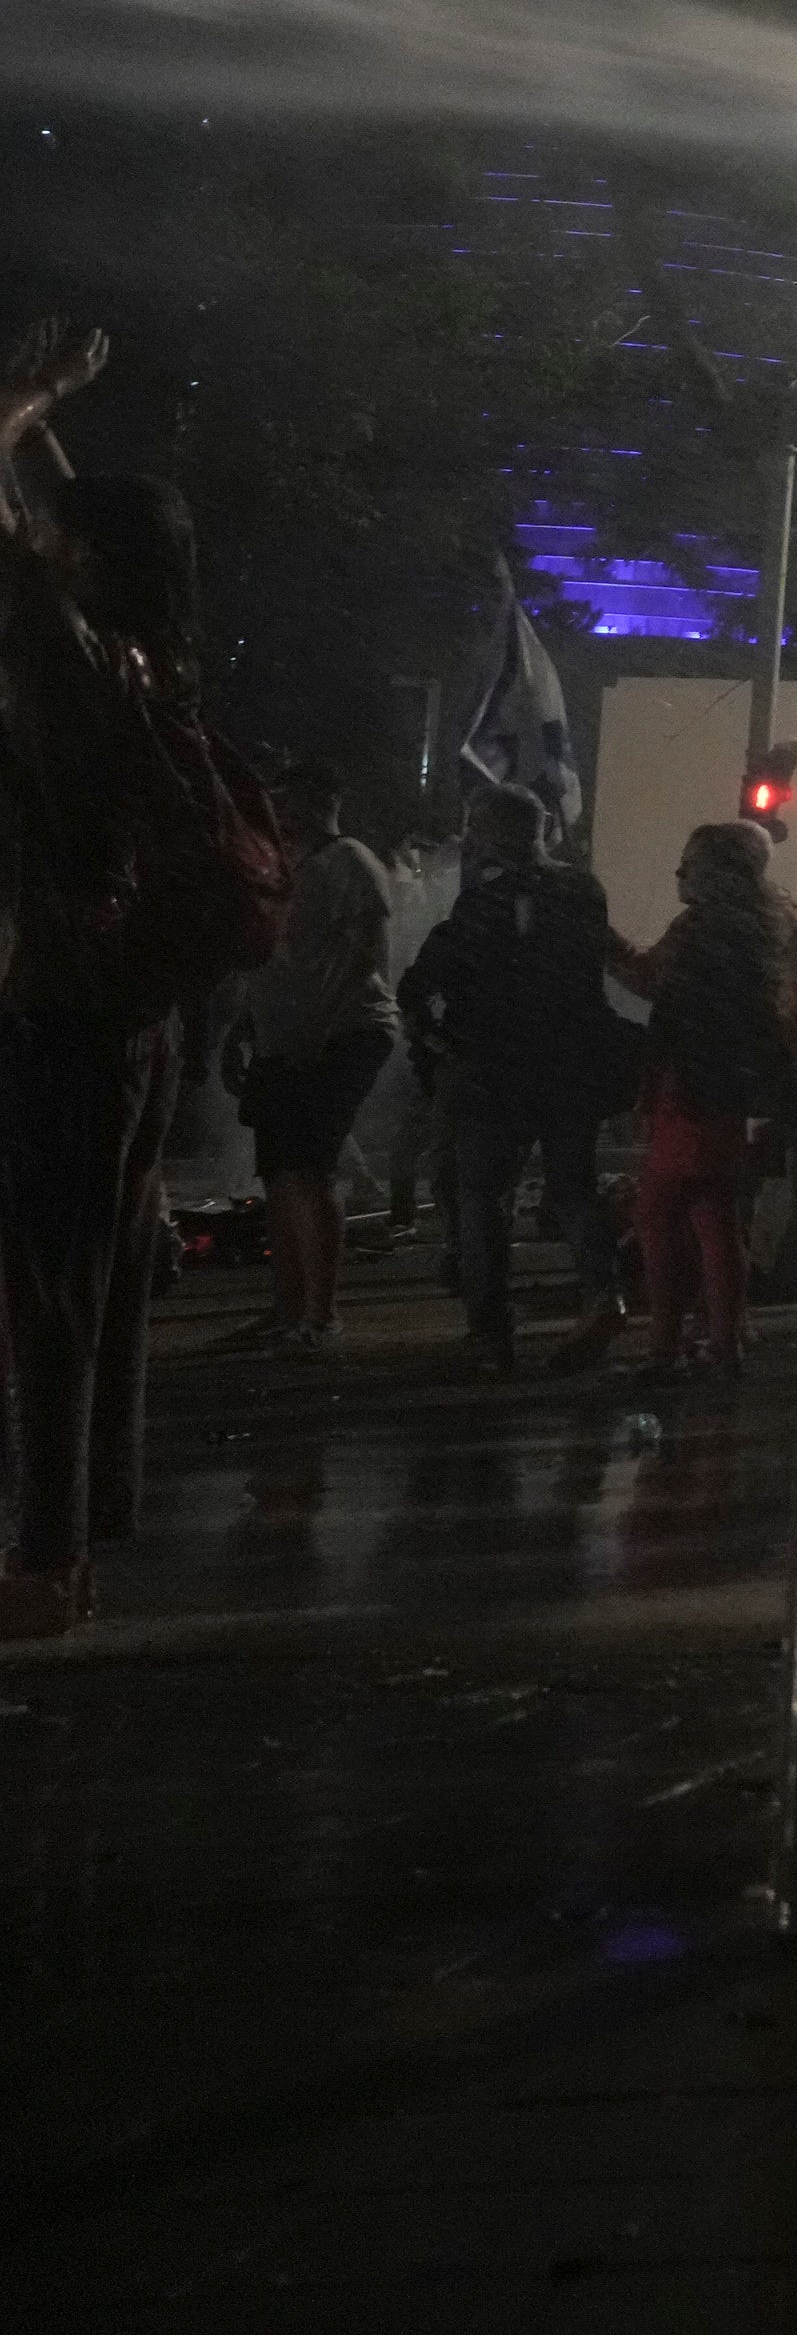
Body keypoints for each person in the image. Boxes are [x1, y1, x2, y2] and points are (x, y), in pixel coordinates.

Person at [1, 328, 276, 1638]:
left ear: (87, 564)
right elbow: (51, 517)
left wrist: (32, 400)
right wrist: (50, 428)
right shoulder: (148, 665)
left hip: (62, 1013)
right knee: (100, 1283)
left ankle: (46, 1562)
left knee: (47, 1289)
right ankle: (85, 1531)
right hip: (131, 1020)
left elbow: (19, 533)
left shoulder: (64, 661)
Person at [404, 780, 632, 1376]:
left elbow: (438, 974)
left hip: (499, 1067)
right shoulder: (585, 890)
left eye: (476, 827)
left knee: (482, 1198)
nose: (469, 838)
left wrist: (437, 1030)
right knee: (573, 1188)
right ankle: (604, 1295)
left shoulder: (487, 900)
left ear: (495, 833)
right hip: (573, 1064)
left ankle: (489, 1333)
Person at [616, 817, 797, 1386]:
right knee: (713, 1212)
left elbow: (649, 978)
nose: (679, 871)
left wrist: (605, 942)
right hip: (738, 1089)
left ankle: (665, 1348)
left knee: (659, 1212)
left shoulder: (703, 928)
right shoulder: (774, 920)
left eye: (690, 861)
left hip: (696, 1087)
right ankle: (722, 1340)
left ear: (721, 871)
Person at [223, 761, 400, 1357]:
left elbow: (365, 953)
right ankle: (287, 1311)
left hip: (341, 1033)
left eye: (298, 800)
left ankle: (321, 1318)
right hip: (286, 1039)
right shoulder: (285, 866)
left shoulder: (348, 859)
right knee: (280, 1174)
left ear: (326, 802)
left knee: (308, 1167)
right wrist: (247, 1028)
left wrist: (317, 1031)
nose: (285, 811)